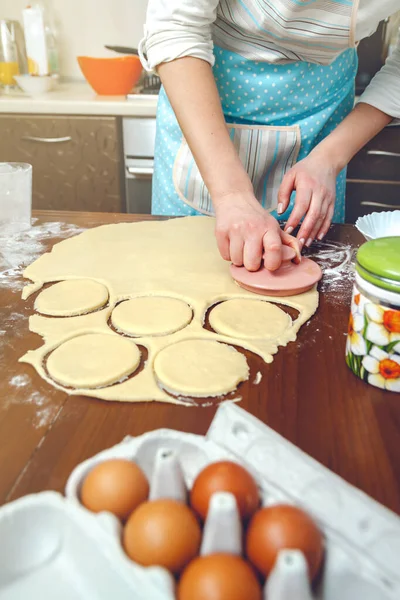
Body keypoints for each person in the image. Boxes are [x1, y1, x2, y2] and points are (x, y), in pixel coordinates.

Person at [139, 1, 400, 271]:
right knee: (180, 274)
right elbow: (176, 27)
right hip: (204, 115)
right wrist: (231, 194)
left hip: (322, 128)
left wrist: (328, 158)